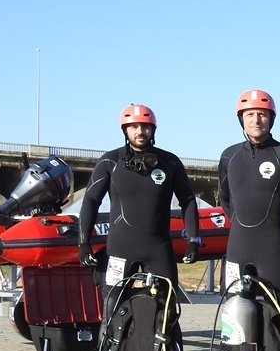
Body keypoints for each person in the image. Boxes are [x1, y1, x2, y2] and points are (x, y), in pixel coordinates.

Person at [79, 103, 199, 292]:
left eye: (145, 126)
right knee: (113, 308)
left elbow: (188, 201)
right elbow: (91, 200)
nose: (140, 131)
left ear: (153, 129)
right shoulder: (110, 161)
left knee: (166, 310)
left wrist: (193, 240)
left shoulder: (170, 162)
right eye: (133, 127)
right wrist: (84, 243)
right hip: (120, 249)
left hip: (158, 249)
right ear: (125, 130)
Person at [218, 89, 280, 305]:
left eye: (262, 114)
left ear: (271, 118)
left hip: (273, 250)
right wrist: (243, 224)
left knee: (278, 316)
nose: (256, 120)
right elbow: (225, 200)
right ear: (241, 118)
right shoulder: (229, 157)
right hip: (237, 248)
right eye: (250, 114)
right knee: (235, 315)